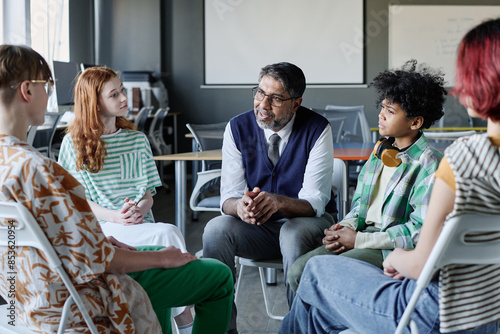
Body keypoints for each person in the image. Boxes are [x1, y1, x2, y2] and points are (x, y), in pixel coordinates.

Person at [280, 17, 500, 334]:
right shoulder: (384, 152)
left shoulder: (462, 157)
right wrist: (349, 227)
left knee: (314, 271)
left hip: (431, 310)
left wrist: (396, 257)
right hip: (487, 316)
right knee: (316, 315)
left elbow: (420, 260)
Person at [0, 44, 233, 334]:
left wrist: (107, 241)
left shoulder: (9, 163)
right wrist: (162, 257)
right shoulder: (42, 171)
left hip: (25, 301)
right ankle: (183, 318)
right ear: (27, 91)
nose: (50, 94)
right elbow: (95, 259)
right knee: (219, 275)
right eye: (46, 85)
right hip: (81, 297)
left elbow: (63, 242)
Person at [287, 59, 447, 293]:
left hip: (390, 248)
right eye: (382, 107)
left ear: (416, 122)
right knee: (297, 272)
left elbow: (418, 231)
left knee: (318, 276)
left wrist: (359, 241)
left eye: (390, 111)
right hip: (361, 235)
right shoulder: (380, 151)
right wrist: (343, 228)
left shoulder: (429, 164)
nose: (381, 115)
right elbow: (361, 204)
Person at [57, 66, 194, 332]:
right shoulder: (72, 144)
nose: (124, 98)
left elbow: (148, 193)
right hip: (105, 230)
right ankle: (185, 320)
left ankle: (181, 320)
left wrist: (140, 209)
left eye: (122, 90)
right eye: (114, 94)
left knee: (166, 233)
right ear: (94, 103)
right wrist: (116, 216)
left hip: (142, 224)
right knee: (169, 234)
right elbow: (77, 202)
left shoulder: (137, 140)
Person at [202, 62, 336, 333]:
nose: (263, 104)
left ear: (295, 104)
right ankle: (221, 329)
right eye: (259, 93)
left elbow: (315, 203)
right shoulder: (238, 128)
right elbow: (227, 197)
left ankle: (299, 328)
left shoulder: (317, 129)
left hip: (307, 228)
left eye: (275, 98)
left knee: (292, 233)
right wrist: (240, 207)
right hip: (258, 231)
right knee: (215, 230)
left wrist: (278, 202)